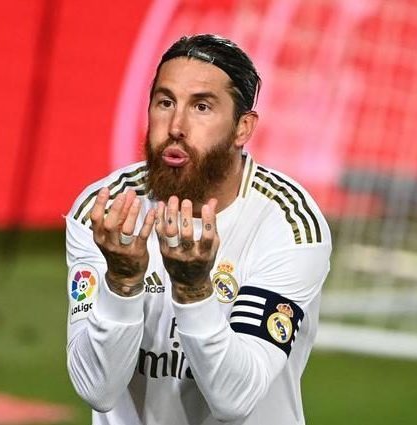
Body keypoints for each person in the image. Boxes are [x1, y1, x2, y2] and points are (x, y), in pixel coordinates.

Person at [65, 34, 331, 425]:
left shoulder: (286, 224)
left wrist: (193, 290)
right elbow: (97, 390)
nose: (176, 126)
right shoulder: (107, 210)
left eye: (201, 107)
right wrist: (121, 282)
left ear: (242, 128)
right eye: (165, 102)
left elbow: (234, 399)